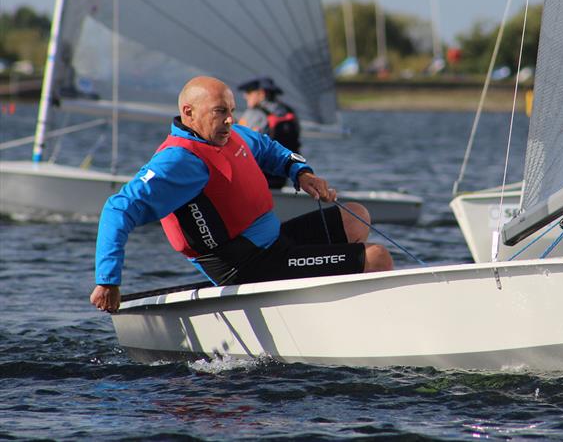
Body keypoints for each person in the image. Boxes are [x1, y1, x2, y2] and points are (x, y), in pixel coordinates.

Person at [90, 76, 393, 313]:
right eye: (220, 112)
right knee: (376, 258)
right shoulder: (178, 161)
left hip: (275, 244)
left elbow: (271, 149)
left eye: (232, 111)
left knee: (356, 216)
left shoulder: (230, 136)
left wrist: (301, 172)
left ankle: (330, 302)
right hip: (247, 267)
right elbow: (118, 209)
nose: (230, 120)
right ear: (189, 113)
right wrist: (108, 280)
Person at [237, 77, 300, 189]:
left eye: (249, 92)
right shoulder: (289, 111)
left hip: (260, 175)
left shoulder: (254, 114)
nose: (245, 96)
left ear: (261, 94)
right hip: (284, 174)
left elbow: (239, 142)